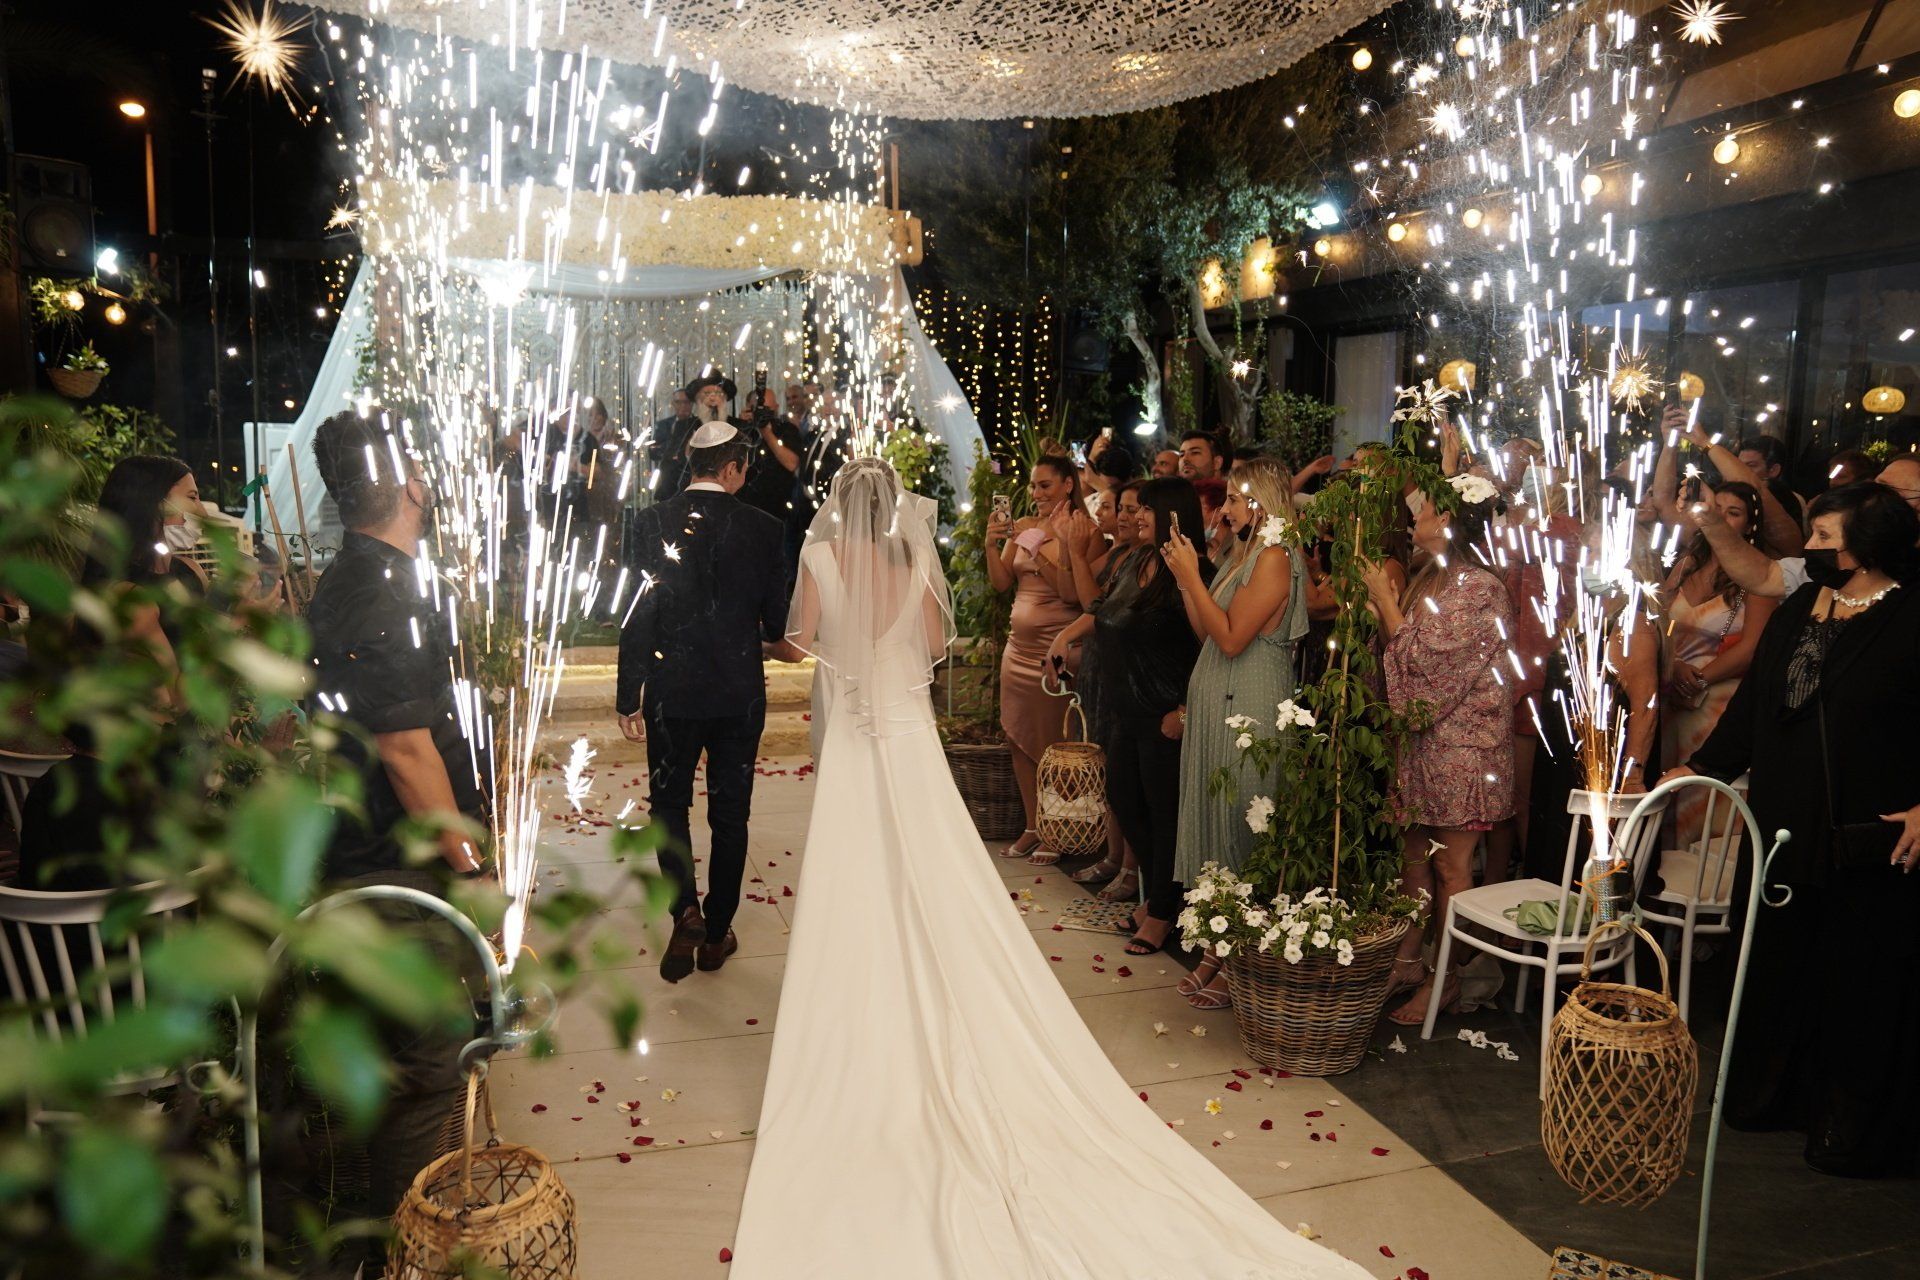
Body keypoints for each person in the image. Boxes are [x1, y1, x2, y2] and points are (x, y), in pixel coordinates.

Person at [729, 457, 1368, 1280]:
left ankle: (852, 1000)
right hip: (906, 735)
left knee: (855, 868)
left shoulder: (820, 557)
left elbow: (803, 644)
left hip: (856, 737)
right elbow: (932, 647)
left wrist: (805, 648)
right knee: (937, 864)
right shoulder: (911, 558)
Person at [1666, 482, 1920, 1177]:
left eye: (1825, 539)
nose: (1810, 549)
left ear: (1868, 547)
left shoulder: (1909, 615)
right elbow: (1754, 706)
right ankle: (1765, 1095)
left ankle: (1845, 1122)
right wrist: (1700, 768)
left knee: (1856, 975)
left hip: (1868, 831)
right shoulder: (1801, 607)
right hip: (1781, 823)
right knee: (1778, 961)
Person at [296, 411, 487, 1276]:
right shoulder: (383, 596)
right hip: (398, 877)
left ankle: (384, 1239)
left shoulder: (348, 579)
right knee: (428, 1068)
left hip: (361, 858)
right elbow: (407, 753)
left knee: (399, 1065)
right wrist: (472, 873)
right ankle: (403, 1254)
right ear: (408, 482)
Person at [616, 421, 791, 982]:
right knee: (730, 814)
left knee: (669, 807)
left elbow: (637, 611)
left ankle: (685, 911)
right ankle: (716, 934)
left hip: (672, 690)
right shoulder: (765, 527)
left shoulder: (649, 521)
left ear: (692, 463)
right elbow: (776, 621)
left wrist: (629, 694)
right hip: (738, 691)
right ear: (733, 467)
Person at [1363, 476, 1513, 1024]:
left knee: (1450, 867)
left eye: (1423, 508)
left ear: (1447, 520)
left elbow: (1429, 665)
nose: (1413, 516)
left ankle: (1446, 975)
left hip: (1463, 748)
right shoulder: (1435, 576)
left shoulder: (1481, 588)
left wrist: (1385, 599)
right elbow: (1402, 651)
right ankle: (1408, 961)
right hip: (1421, 744)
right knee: (1412, 857)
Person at [1163, 458, 1310, 1010]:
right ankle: (1216, 949)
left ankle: (1241, 959)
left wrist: (1191, 577)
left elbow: (1231, 639)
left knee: (1240, 826)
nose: (1224, 510)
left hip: (1249, 702)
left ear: (1260, 502)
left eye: (1231, 499)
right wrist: (1188, 580)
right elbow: (1206, 630)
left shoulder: (1274, 557)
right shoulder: (1244, 553)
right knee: (1215, 824)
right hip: (1217, 699)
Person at [1049, 479, 1215, 958]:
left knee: (1164, 816)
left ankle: (1161, 912)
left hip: (1164, 713)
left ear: (1173, 515)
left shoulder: (1194, 569)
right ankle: (1162, 897)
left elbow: (1208, 646)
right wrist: (1066, 635)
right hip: (1125, 708)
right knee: (1124, 800)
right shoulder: (1134, 560)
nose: (1137, 516)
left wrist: (1184, 711)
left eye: (1146, 509)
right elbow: (1102, 610)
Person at [1657, 482, 1777, 847]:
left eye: (1733, 512)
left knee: (1706, 798)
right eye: (1715, 507)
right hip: (1671, 698)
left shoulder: (1758, 575)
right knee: (1669, 787)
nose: (1720, 517)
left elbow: (1754, 647)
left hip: (1717, 703)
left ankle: (1705, 876)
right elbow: (1659, 623)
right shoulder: (1685, 565)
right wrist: (1673, 667)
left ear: (1750, 525)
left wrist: (1696, 679)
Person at [984, 455, 1086, 863]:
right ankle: (1032, 825)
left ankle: (1059, 826)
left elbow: (1071, 593)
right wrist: (991, 543)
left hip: (1055, 649)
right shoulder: (1024, 524)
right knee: (1018, 737)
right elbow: (1001, 582)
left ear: (1067, 484)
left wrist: (1038, 547)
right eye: (1033, 485)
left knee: (1053, 741)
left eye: (1045, 485)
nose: (1036, 493)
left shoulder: (1080, 527)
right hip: (1018, 650)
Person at [1061, 480, 1146, 901]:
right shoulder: (1116, 555)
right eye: (1121, 509)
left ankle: (1131, 867)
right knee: (1107, 768)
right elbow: (1079, 596)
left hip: (1126, 668)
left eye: (1132, 509)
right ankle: (1113, 857)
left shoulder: (1145, 560)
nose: (1126, 517)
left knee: (1124, 773)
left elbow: (1098, 607)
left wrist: (1078, 554)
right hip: (1099, 664)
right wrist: (1073, 550)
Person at [736, 382, 806, 522]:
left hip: (778, 509)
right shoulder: (741, 431)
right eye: (758, 409)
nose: (762, 413)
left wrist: (767, 433)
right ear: (749, 408)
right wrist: (741, 426)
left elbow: (792, 464)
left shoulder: (786, 429)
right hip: (744, 507)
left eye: (767, 409)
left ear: (776, 407)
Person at [650, 387, 700, 499]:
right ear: (673, 404)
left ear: (692, 404)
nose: (682, 406)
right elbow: (653, 452)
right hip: (667, 481)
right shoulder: (663, 425)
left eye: (686, 402)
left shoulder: (698, 423)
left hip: (690, 479)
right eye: (678, 402)